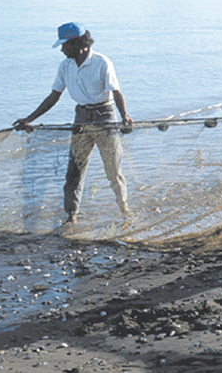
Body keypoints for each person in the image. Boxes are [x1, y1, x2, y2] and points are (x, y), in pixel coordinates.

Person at [14, 23, 133, 226]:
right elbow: (53, 97)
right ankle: (71, 216)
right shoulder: (65, 66)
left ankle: (125, 211)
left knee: (113, 171)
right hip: (81, 118)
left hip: (104, 117)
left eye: (65, 45)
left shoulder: (102, 62)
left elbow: (115, 92)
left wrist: (125, 117)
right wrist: (29, 119)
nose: (62, 50)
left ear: (80, 44)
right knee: (74, 172)